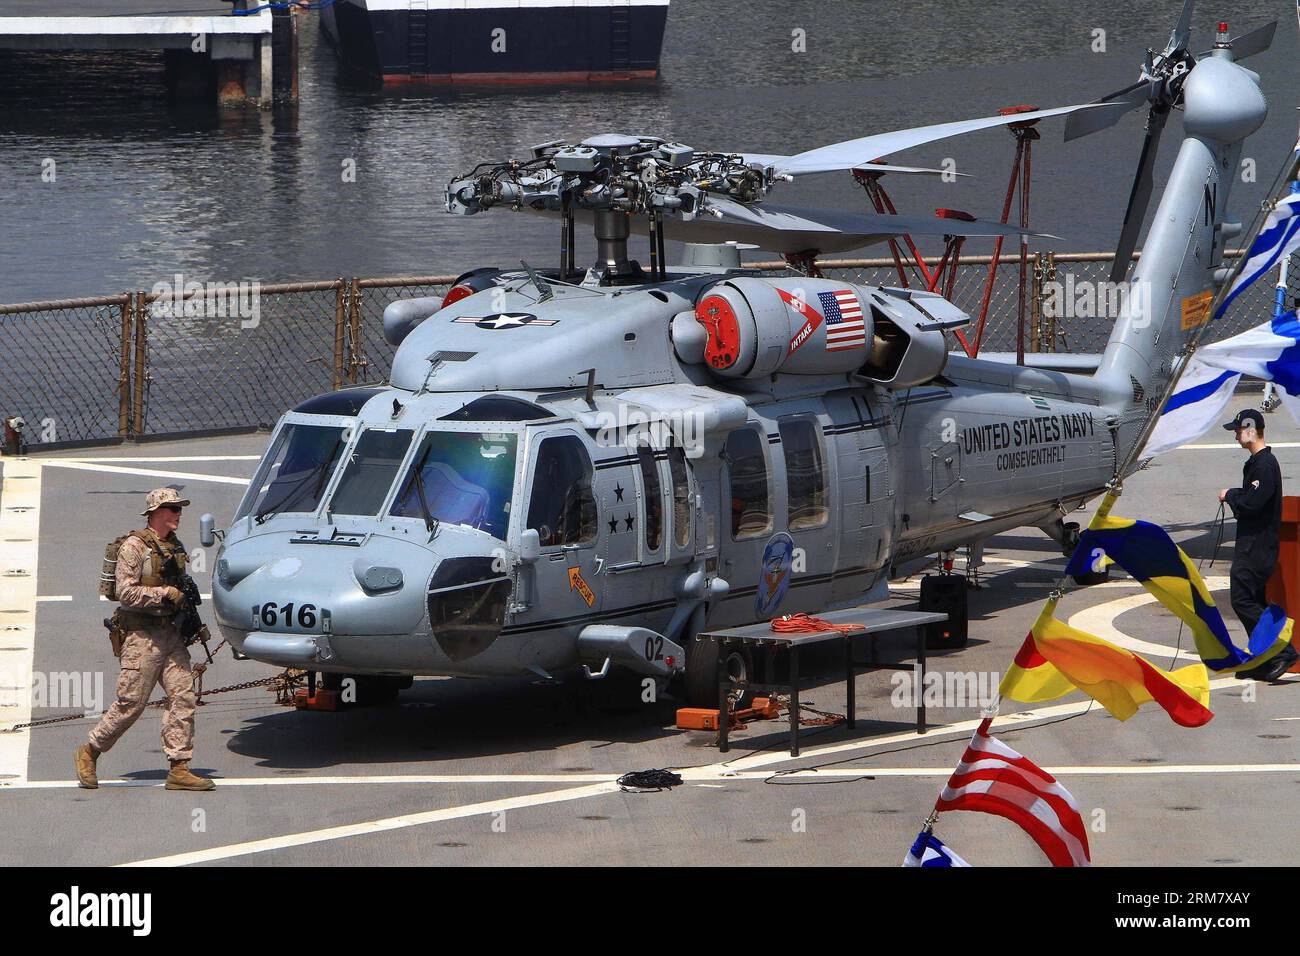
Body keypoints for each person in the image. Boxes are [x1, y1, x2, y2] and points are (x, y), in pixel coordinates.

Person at [74, 488, 216, 790]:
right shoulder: (134, 547)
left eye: (179, 509)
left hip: (171, 635)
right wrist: (165, 594)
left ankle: (179, 766)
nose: (178, 514)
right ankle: (90, 751)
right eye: (173, 509)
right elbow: (125, 592)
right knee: (131, 704)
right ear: (155, 512)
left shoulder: (173, 545)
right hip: (142, 637)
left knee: (183, 697)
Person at [1217, 409, 1300, 681]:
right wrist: (1235, 494)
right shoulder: (1256, 464)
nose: (1236, 437)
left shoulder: (1264, 465)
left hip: (1256, 547)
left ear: (1251, 430)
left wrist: (1230, 496)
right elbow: (1251, 497)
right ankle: (1262, 657)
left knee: (1242, 600)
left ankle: (1284, 650)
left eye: (1239, 431)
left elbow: (1252, 504)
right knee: (1252, 600)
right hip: (1252, 543)